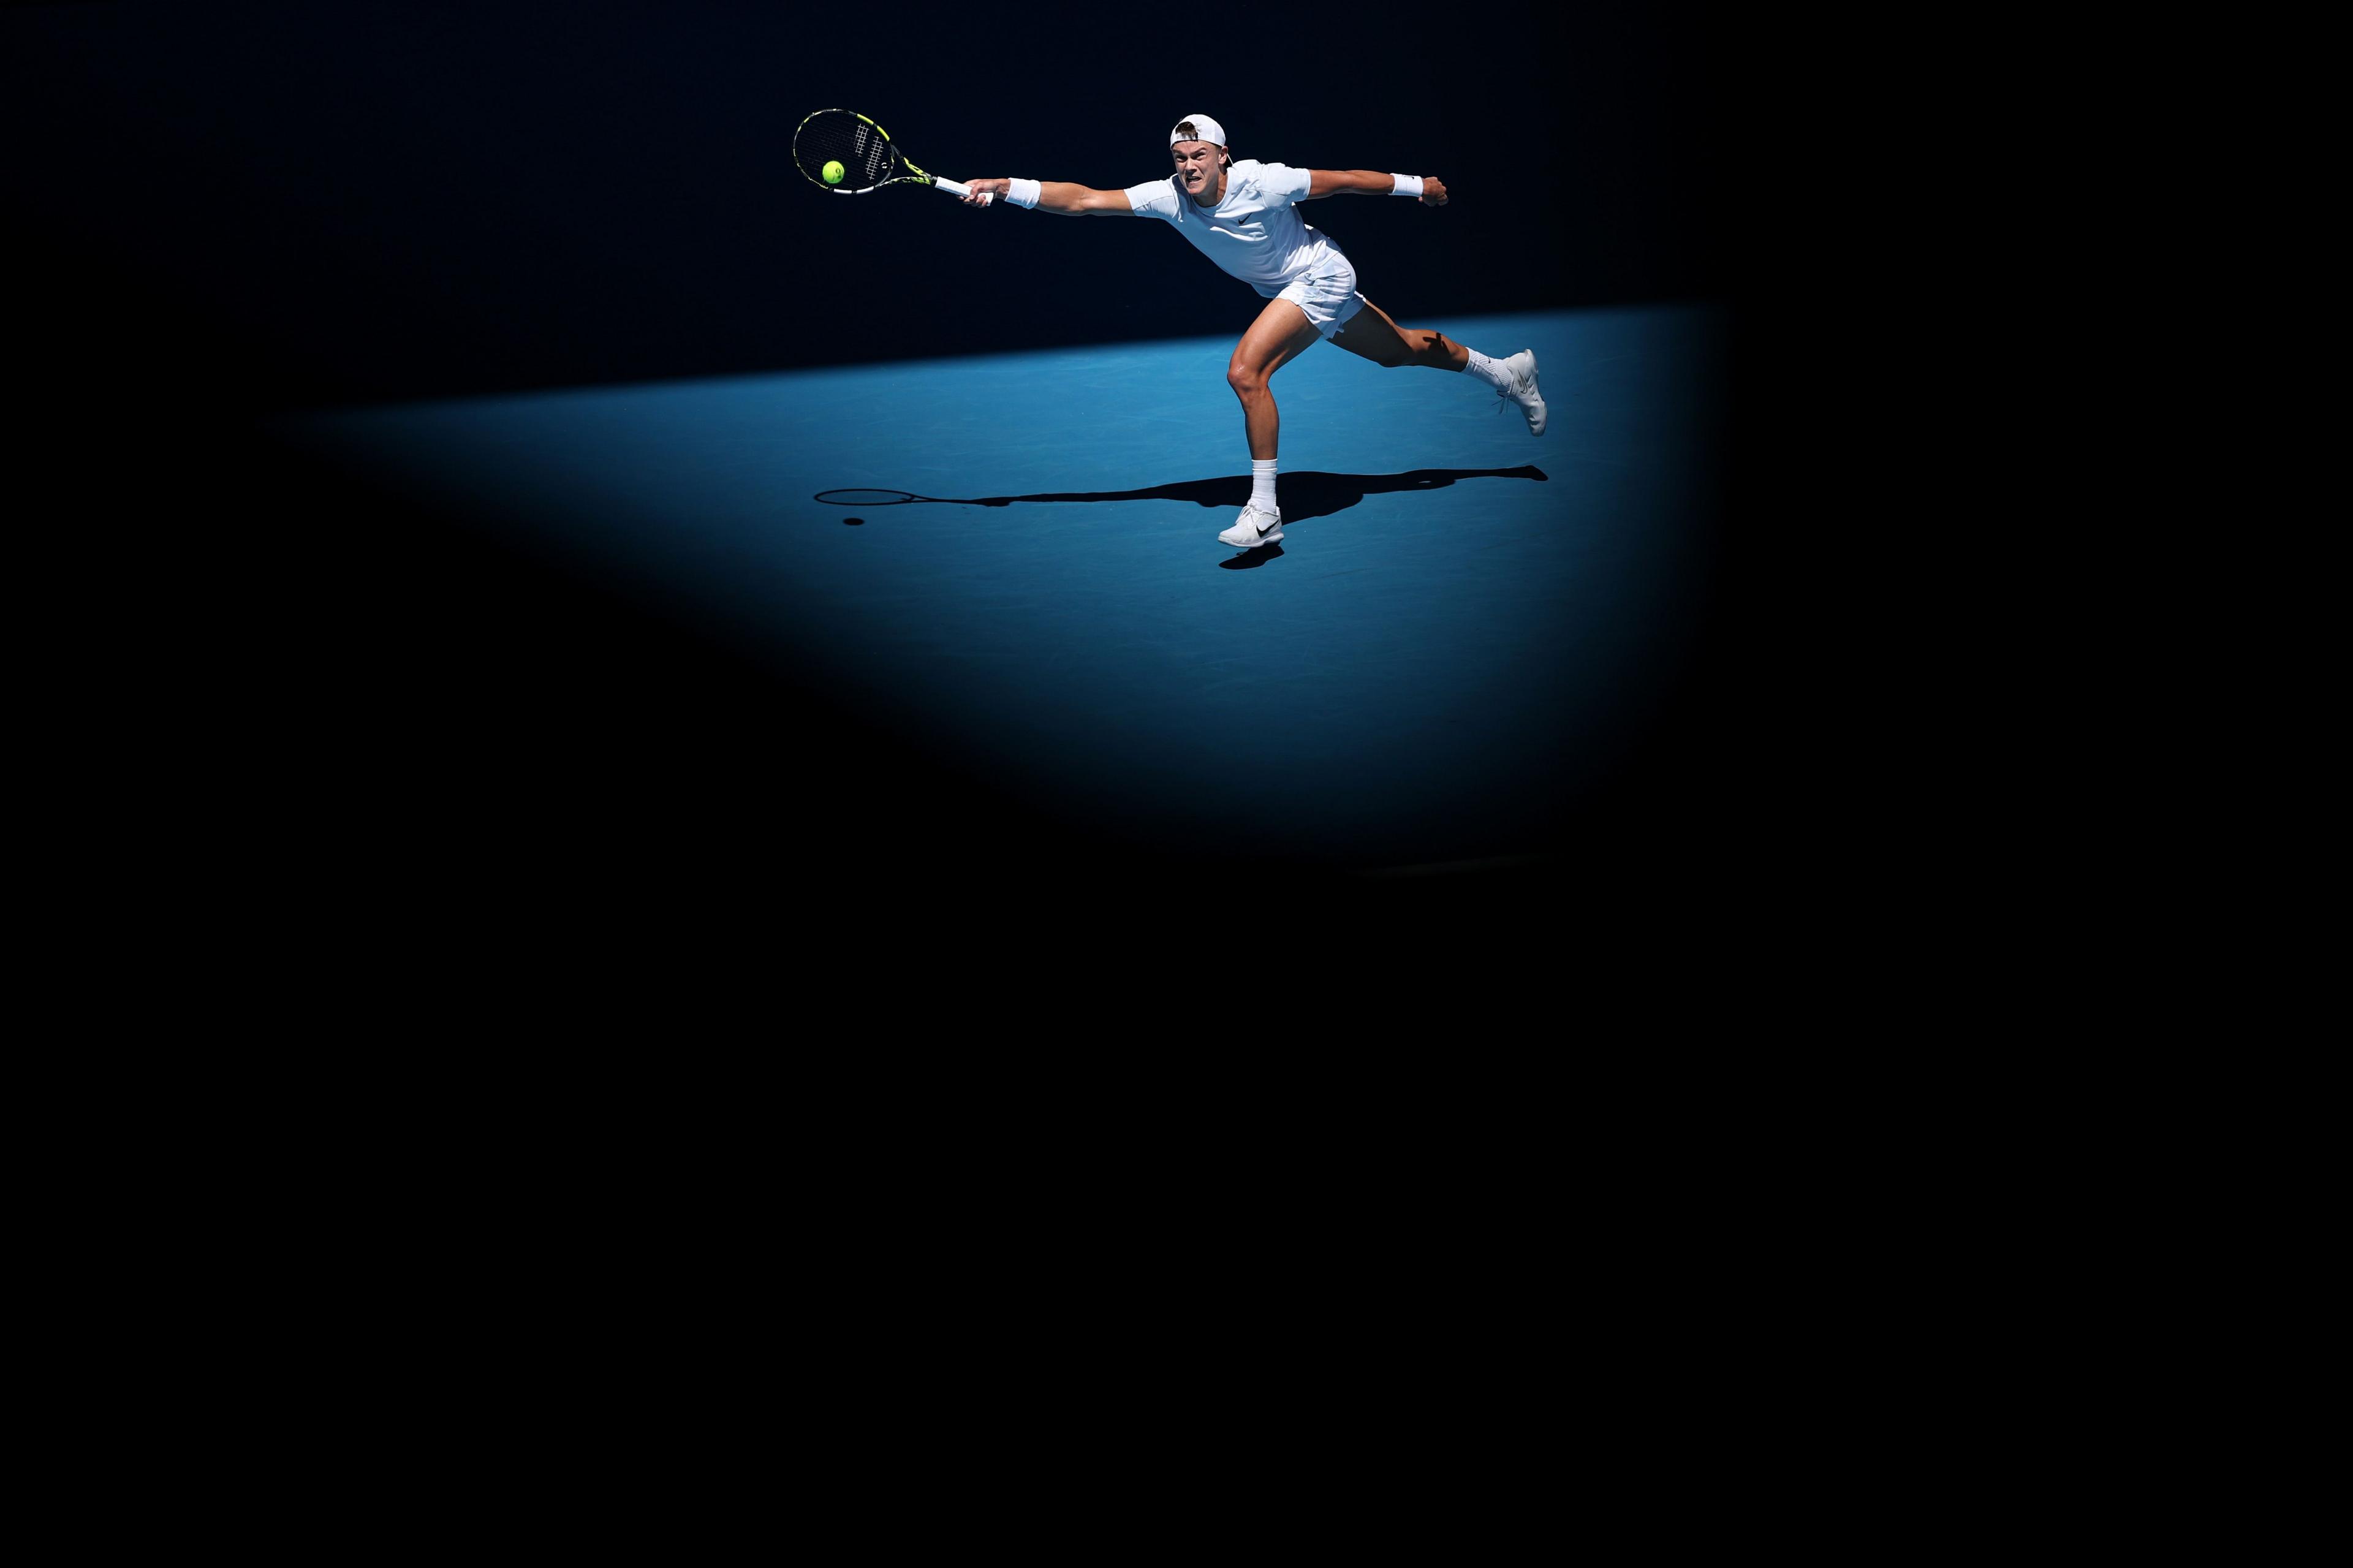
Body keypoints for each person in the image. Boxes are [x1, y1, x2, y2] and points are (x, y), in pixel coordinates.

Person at [960, 113, 1547, 550]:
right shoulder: (1169, 198)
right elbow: (1085, 201)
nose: (1188, 166)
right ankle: (1507, 373)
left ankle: (1264, 511)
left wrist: (1418, 185)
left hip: (1319, 275)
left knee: (1247, 372)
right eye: (1180, 157)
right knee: (1400, 352)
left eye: (1198, 155)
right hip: (1289, 291)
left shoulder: (1265, 181)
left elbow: (1342, 180)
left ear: (1223, 156)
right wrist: (1006, 186)